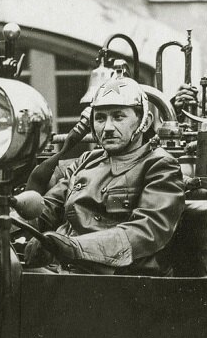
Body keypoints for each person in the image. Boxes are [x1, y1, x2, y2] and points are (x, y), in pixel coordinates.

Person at [22, 77, 186, 274]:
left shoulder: (159, 164)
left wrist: (74, 247)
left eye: (118, 117)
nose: (107, 127)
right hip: (65, 271)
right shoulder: (86, 160)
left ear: (145, 121)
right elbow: (47, 207)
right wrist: (9, 224)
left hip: (119, 281)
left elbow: (147, 230)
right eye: (100, 118)